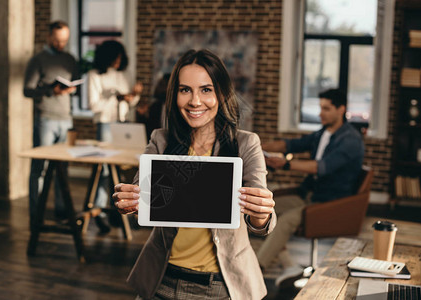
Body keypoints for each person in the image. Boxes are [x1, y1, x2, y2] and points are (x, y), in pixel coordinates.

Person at [112, 49, 276, 300]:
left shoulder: (246, 144)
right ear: (174, 94)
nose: (195, 101)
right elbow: (142, 201)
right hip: (161, 281)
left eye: (206, 90)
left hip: (221, 286)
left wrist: (261, 214)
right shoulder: (161, 139)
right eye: (185, 90)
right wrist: (129, 202)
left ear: (221, 93)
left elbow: (260, 221)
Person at [256, 88, 365, 287]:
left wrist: (286, 164)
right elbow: (291, 144)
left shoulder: (350, 140)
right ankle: (289, 265)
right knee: (261, 208)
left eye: (326, 108)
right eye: (320, 108)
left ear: (341, 109)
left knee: (284, 221)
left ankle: (255, 271)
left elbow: (321, 167)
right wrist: (255, 144)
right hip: (309, 195)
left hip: (330, 202)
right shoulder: (323, 133)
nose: (320, 113)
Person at [24, 21, 79, 224]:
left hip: (66, 118)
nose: (60, 44)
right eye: (57, 40)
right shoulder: (38, 60)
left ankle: (61, 209)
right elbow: (27, 90)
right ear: (49, 37)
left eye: (64, 40)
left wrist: (72, 88)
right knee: (40, 167)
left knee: (62, 169)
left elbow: (77, 82)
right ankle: (35, 213)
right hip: (45, 119)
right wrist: (50, 90)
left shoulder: (69, 59)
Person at [87, 40, 143, 233]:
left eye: (121, 58)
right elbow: (93, 105)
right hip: (104, 124)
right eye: (116, 58)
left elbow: (131, 103)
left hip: (123, 123)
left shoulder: (123, 75)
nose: (119, 62)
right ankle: (100, 211)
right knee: (103, 169)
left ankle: (118, 212)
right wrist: (113, 96)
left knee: (122, 169)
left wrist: (134, 96)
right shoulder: (94, 75)